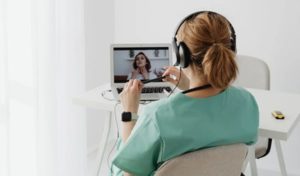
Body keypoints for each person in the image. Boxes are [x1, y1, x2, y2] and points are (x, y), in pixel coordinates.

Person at [110, 11, 259, 176]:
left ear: (182, 55)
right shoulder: (247, 102)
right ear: (231, 48)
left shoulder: (157, 116)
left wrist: (129, 112)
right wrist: (189, 84)